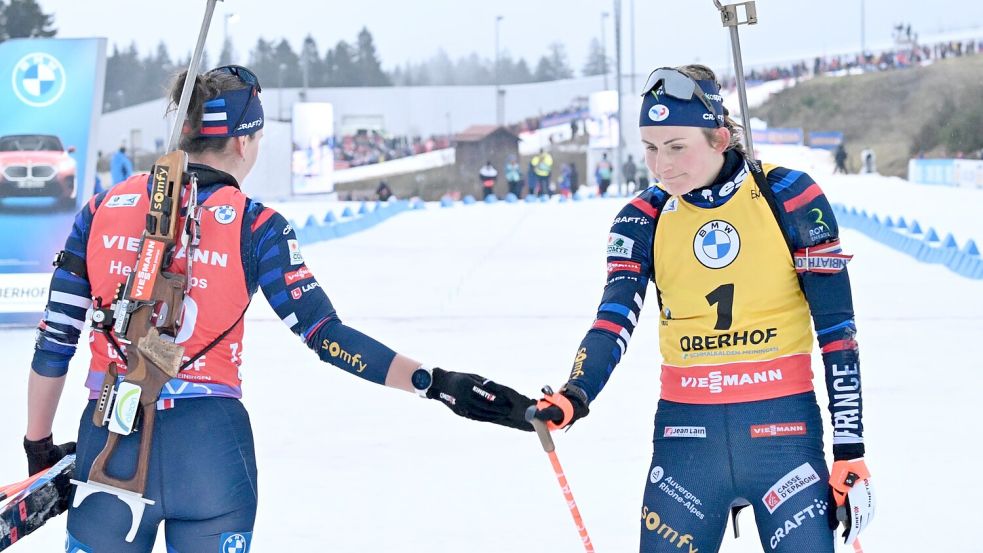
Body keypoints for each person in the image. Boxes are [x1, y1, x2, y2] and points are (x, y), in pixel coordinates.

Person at [24, 64, 533, 553]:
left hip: (110, 438)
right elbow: (326, 335)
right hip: (209, 450)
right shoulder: (257, 225)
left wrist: (39, 446)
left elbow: (55, 341)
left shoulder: (102, 208)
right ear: (242, 142)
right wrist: (435, 382)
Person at [528, 65, 875, 552]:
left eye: (676, 147)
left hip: (783, 435)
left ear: (719, 138)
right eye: (650, 148)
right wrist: (575, 392)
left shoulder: (790, 196)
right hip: (688, 442)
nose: (661, 166)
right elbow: (613, 319)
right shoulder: (642, 218)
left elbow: (838, 332)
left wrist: (850, 448)